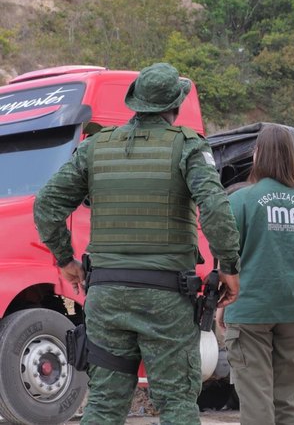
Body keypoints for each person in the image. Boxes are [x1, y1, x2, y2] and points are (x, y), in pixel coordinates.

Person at [33, 62, 241, 425]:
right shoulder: (188, 146)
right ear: (175, 106)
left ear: (137, 104)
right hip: (166, 300)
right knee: (176, 404)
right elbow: (216, 208)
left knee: (103, 406)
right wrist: (228, 267)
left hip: (107, 298)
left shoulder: (95, 147)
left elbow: (46, 205)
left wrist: (65, 259)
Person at [217, 124, 294, 425]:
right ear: (291, 158)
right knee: (288, 402)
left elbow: (227, 257)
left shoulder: (239, 201)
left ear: (258, 156)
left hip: (249, 310)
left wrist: (223, 304)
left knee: (256, 399)